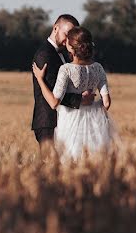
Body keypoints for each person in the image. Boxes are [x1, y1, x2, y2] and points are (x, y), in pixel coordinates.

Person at [32, 26, 119, 159]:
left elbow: (54, 102)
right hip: (94, 122)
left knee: (70, 158)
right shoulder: (98, 68)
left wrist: (40, 79)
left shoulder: (66, 69)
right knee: (94, 160)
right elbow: (106, 103)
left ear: (71, 48)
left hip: (70, 120)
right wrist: (92, 105)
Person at [30, 14, 95, 148]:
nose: (69, 40)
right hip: (48, 120)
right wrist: (80, 100)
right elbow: (54, 92)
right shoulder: (45, 54)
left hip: (64, 119)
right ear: (55, 28)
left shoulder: (63, 54)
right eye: (67, 34)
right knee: (51, 166)